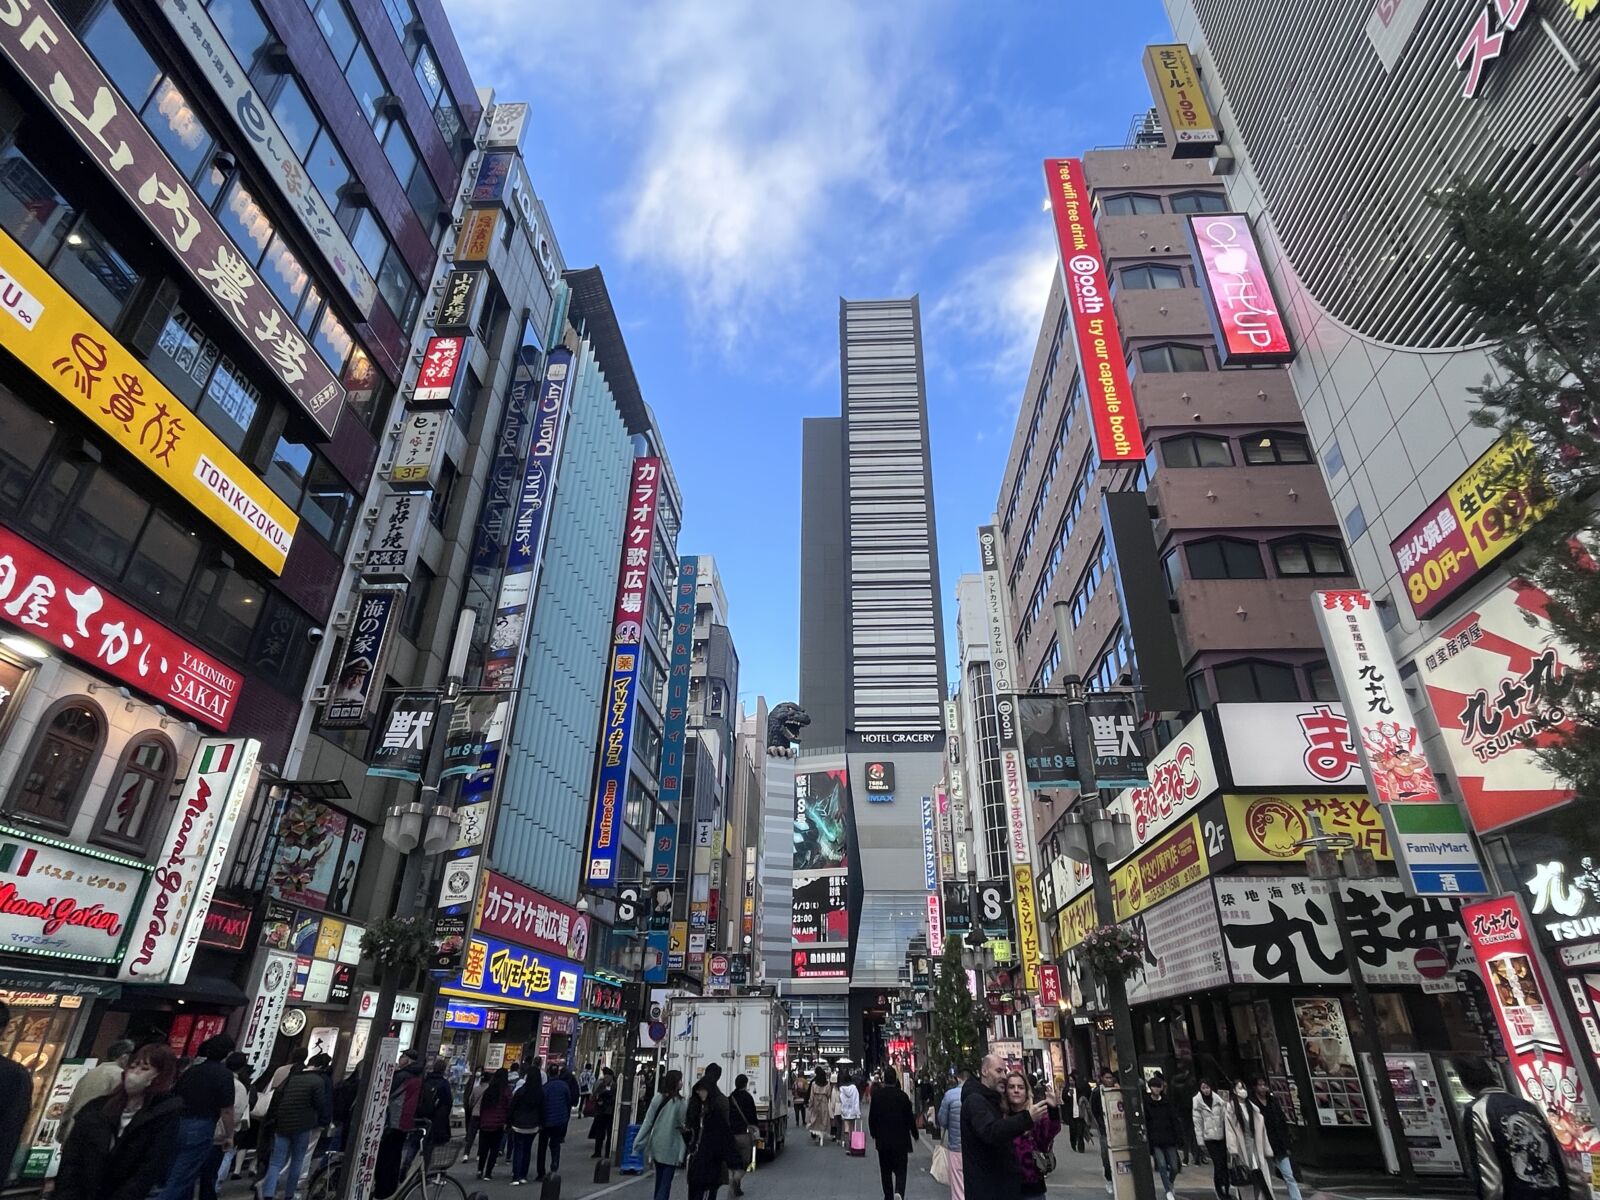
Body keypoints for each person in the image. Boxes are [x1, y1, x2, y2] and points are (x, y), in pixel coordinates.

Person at [55, 1043, 182, 1200]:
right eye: (133, 1066)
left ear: (159, 1076)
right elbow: (73, 1159)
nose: (135, 1073)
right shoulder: (97, 1108)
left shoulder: (163, 1115)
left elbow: (149, 1169)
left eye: (144, 1069)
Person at [1458, 1055, 1585, 1200]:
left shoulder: (1476, 1112)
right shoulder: (1528, 1106)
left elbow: (1489, 1176)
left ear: (1465, 1082)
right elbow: (1562, 1162)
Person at [158, 1034, 237, 1200]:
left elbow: (174, 1095)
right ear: (228, 1053)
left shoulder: (192, 1070)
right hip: (201, 1125)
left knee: (174, 1173)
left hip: (176, 1122)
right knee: (182, 1176)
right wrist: (230, 1135)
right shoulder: (224, 1075)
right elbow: (227, 1110)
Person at [960, 1054, 1045, 1200]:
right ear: (984, 1071)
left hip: (1002, 1188)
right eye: (999, 1071)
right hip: (988, 1190)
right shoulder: (976, 1101)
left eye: (1005, 1071)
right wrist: (1026, 1118)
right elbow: (991, 1131)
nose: (1004, 1076)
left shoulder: (993, 1100)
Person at [259, 1052, 331, 1200]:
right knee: (297, 1161)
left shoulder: (292, 1078)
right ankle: (289, 1194)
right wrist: (324, 1121)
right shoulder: (317, 1082)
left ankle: (268, 1193)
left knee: (276, 1162)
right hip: (303, 1126)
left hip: (282, 1124)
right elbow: (321, 1104)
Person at [60, 1038, 135, 1144]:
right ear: (124, 1056)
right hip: (96, 1137)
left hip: (73, 1133)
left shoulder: (90, 1073)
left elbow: (70, 1104)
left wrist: (61, 1133)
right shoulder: (120, 1076)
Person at [686, 1071, 741, 1200]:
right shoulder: (695, 1109)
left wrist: (734, 1162)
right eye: (698, 1090)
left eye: (703, 1090)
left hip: (711, 1160)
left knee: (707, 1191)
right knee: (696, 1192)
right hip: (697, 1159)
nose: (700, 1093)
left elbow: (725, 1138)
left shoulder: (715, 1113)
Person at [636, 1069, 688, 1200]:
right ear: (675, 1083)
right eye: (680, 1080)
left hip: (657, 1144)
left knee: (659, 1181)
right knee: (665, 1184)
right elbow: (683, 1126)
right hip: (672, 1148)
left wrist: (638, 1142)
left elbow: (647, 1122)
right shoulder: (681, 1103)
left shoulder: (657, 1098)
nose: (681, 1083)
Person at [867, 1065, 918, 1200]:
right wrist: (915, 1133)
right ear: (895, 1079)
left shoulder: (877, 1097)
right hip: (901, 1140)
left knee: (885, 1171)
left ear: (884, 1080)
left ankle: (888, 1195)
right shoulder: (903, 1097)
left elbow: (872, 1118)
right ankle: (899, 1191)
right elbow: (909, 1118)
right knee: (901, 1169)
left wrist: (874, 1133)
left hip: (883, 1141)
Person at [1006, 1073, 1060, 1200]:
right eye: (1011, 1087)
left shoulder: (1035, 1113)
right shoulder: (1000, 1115)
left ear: (1026, 1091)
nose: (1016, 1090)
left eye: (1020, 1087)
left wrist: (1053, 1109)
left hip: (1032, 1187)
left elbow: (1048, 1135)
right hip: (1006, 1187)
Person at [1250, 1077, 1301, 1200]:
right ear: (1255, 1087)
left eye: (1264, 1084)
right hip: (1263, 1143)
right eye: (1260, 1085)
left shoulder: (1273, 1101)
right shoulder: (1252, 1103)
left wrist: (1287, 1143)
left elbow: (1282, 1122)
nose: (1263, 1087)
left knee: (1289, 1175)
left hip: (1279, 1144)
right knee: (1267, 1177)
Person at [1223, 1079, 1272, 1200]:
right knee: (1246, 1180)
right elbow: (1230, 1131)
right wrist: (1233, 1150)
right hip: (1242, 1149)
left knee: (1260, 1178)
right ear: (1234, 1091)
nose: (1243, 1091)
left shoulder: (1252, 1108)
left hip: (1255, 1147)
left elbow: (1261, 1131)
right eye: (1239, 1088)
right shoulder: (1231, 1109)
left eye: (1243, 1088)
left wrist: (1267, 1149)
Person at [210, 1052, 252, 1195]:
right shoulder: (239, 1086)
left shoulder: (216, 1078)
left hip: (209, 1126)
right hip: (225, 1130)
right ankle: (215, 1187)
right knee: (224, 1157)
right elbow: (235, 1112)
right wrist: (230, 1133)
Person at [1145, 1073, 1184, 1200]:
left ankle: (1170, 1183)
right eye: (1154, 1087)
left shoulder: (1167, 1102)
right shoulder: (1147, 1103)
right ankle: (1168, 1189)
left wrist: (1178, 1137)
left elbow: (1174, 1120)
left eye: (1158, 1087)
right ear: (1150, 1088)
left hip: (1169, 1138)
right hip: (1155, 1139)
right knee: (1161, 1165)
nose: (1156, 1089)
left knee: (1174, 1166)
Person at [536, 1061, 575, 1179]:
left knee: (542, 1146)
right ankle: (554, 1164)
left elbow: (541, 1104)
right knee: (555, 1144)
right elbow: (568, 1102)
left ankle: (541, 1172)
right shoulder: (564, 1086)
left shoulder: (545, 1087)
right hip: (560, 1120)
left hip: (546, 1121)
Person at [507, 1060, 544, 1184]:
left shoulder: (521, 1091)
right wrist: (540, 1124)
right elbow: (542, 1110)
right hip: (533, 1125)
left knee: (518, 1149)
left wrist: (509, 1121)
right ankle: (523, 1175)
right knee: (527, 1150)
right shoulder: (540, 1093)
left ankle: (516, 1176)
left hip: (518, 1124)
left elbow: (512, 1107)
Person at [1193, 1079, 1230, 1200]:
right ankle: (1219, 1190)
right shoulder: (1197, 1101)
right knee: (1218, 1164)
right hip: (1209, 1137)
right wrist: (1200, 1141)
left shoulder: (1219, 1100)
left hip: (1221, 1136)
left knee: (1224, 1164)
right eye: (1203, 1087)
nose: (1206, 1090)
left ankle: (1226, 1189)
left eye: (1207, 1087)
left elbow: (1226, 1116)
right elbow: (1197, 1122)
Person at [937, 1069, 967, 1200]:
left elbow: (942, 1120)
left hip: (955, 1146)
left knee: (958, 1184)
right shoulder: (978, 1093)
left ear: (958, 1079)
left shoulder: (950, 1095)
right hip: (975, 1147)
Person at [476, 1068, 511, 1181]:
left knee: (484, 1148)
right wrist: (507, 1121)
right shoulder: (505, 1091)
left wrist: (481, 1120)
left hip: (485, 1123)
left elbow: (482, 1107)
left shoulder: (489, 1090)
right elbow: (508, 1107)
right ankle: (488, 1173)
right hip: (498, 1124)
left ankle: (480, 1169)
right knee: (494, 1149)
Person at [419, 1057, 454, 1166]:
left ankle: (408, 1165)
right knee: (431, 1146)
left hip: (422, 1116)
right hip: (437, 1119)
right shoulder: (444, 1084)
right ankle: (424, 1169)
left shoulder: (426, 1081)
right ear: (444, 1070)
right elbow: (448, 1102)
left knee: (416, 1143)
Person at [729, 1074, 759, 1196]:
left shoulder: (730, 1098)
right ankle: (736, 1179)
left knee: (733, 1160)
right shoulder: (748, 1097)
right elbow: (752, 1116)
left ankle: (736, 1187)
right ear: (745, 1084)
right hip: (744, 1134)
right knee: (745, 1162)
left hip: (731, 1134)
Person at [1090, 1069, 1118, 1196]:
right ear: (1101, 1078)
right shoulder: (1097, 1092)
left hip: (1117, 1127)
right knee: (1106, 1156)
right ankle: (1109, 1179)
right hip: (1104, 1129)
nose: (1109, 1080)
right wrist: (1100, 1123)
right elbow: (1094, 1109)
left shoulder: (1117, 1090)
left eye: (1110, 1077)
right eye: (1106, 1077)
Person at [460, 1069, 488, 1165]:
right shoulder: (490, 1089)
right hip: (484, 1115)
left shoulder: (476, 1089)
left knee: (471, 1135)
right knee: (483, 1136)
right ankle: (479, 1154)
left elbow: (470, 1100)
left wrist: (472, 1107)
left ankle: (466, 1154)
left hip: (475, 1113)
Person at [590, 1067, 617, 1159]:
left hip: (609, 1112)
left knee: (609, 1133)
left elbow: (615, 1098)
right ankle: (597, 1151)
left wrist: (609, 1099)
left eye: (607, 1076)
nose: (605, 1078)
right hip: (601, 1112)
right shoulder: (601, 1085)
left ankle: (607, 1153)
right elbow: (594, 1095)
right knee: (599, 1133)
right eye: (604, 1076)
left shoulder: (614, 1086)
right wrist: (598, 1098)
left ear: (611, 1077)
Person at [807, 1067, 834, 1146]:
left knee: (816, 1120)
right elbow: (829, 1095)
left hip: (816, 1103)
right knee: (823, 1120)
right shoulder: (827, 1084)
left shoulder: (814, 1084)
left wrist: (810, 1105)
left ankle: (817, 1135)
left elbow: (811, 1097)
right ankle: (822, 1137)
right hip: (824, 1103)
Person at [838, 1070, 862, 1144]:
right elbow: (856, 1101)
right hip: (853, 1111)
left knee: (846, 1127)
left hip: (845, 1110)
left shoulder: (841, 1089)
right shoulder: (854, 1089)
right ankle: (852, 1143)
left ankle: (846, 1144)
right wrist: (858, 1112)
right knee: (852, 1127)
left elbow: (840, 1100)